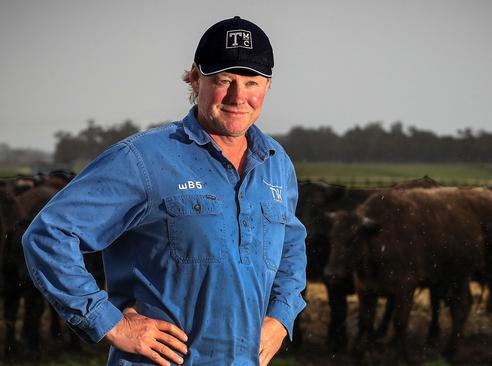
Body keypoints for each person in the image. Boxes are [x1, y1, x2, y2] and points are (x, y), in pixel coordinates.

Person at [22, 16, 307, 366]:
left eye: (251, 82)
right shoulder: (143, 159)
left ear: (268, 85)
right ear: (194, 78)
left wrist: (280, 316)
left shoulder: (276, 164)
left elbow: (291, 246)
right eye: (224, 80)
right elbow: (50, 233)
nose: (238, 96)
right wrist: (110, 323)